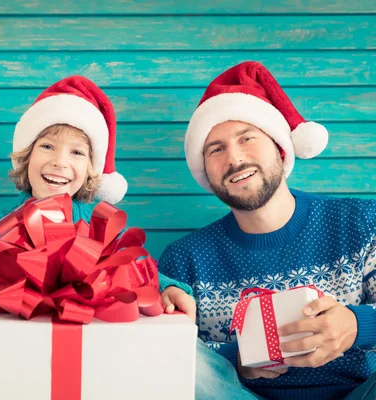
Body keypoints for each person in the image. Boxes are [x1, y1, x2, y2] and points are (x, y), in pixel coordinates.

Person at [0, 75, 256, 400]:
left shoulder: (102, 222)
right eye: (47, 146)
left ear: (90, 170)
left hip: (99, 354)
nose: (60, 161)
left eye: (77, 153)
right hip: (19, 355)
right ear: (26, 157)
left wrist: (167, 286)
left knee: (196, 366)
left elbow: (137, 264)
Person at [160, 61, 376, 400]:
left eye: (247, 138)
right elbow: (167, 363)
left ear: (279, 147)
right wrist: (237, 360)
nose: (234, 159)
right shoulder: (184, 259)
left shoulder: (362, 222)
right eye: (216, 149)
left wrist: (357, 325)